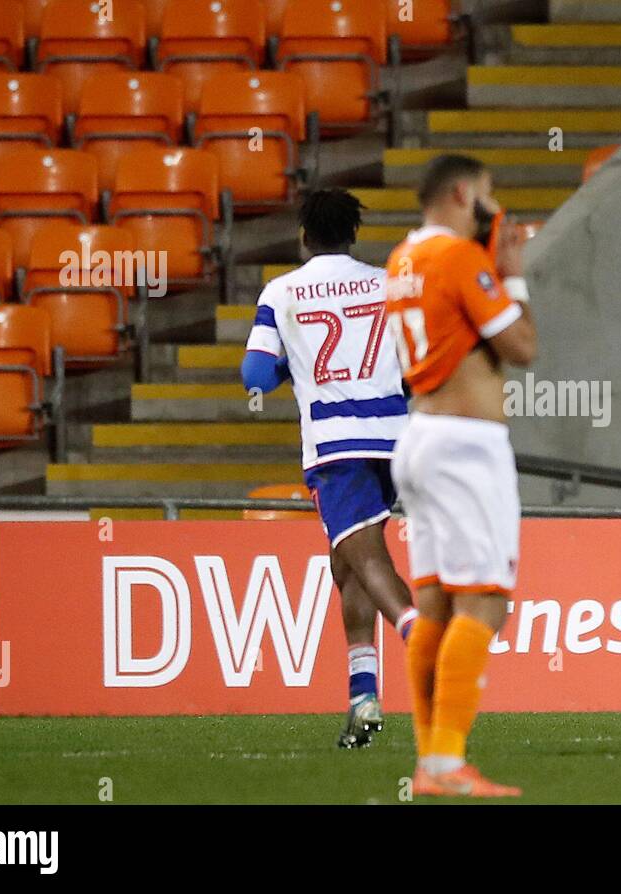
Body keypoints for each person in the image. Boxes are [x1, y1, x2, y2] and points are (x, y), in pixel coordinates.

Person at [241, 189, 418, 747]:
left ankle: (423, 634)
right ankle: (363, 700)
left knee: (366, 559)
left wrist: (293, 366)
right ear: (353, 235)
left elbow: (255, 374)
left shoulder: (282, 291)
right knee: (345, 564)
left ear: (303, 236)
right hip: (395, 439)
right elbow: (417, 363)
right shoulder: (387, 283)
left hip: (335, 445)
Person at [386, 155, 537, 797]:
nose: (491, 205)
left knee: (435, 603)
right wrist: (512, 276)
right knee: (484, 599)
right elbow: (523, 348)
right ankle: (446, 765)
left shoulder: (401, 259)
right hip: (466, 446)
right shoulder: (456, 259)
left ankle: (430, 763)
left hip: (419, 434)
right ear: (460, 192)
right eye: (486, 192)